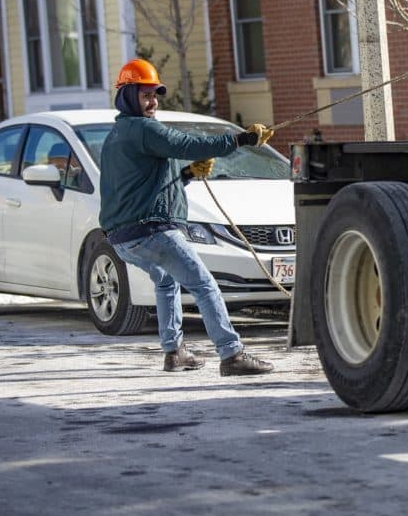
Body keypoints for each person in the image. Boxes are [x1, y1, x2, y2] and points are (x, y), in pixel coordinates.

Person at [99, 58, 276, 376]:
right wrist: (241, 140)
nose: (152, 102)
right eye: (145, 95)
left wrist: (186, 175)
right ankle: (232, 354)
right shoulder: (143, 129)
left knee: (166, 281)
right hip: (151, 230)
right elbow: (187, 144)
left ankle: (174, 352)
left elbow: (143, 188)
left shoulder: (117, 135)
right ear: (127, 95)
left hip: (123, 237)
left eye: (155, 95)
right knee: (205, 284)